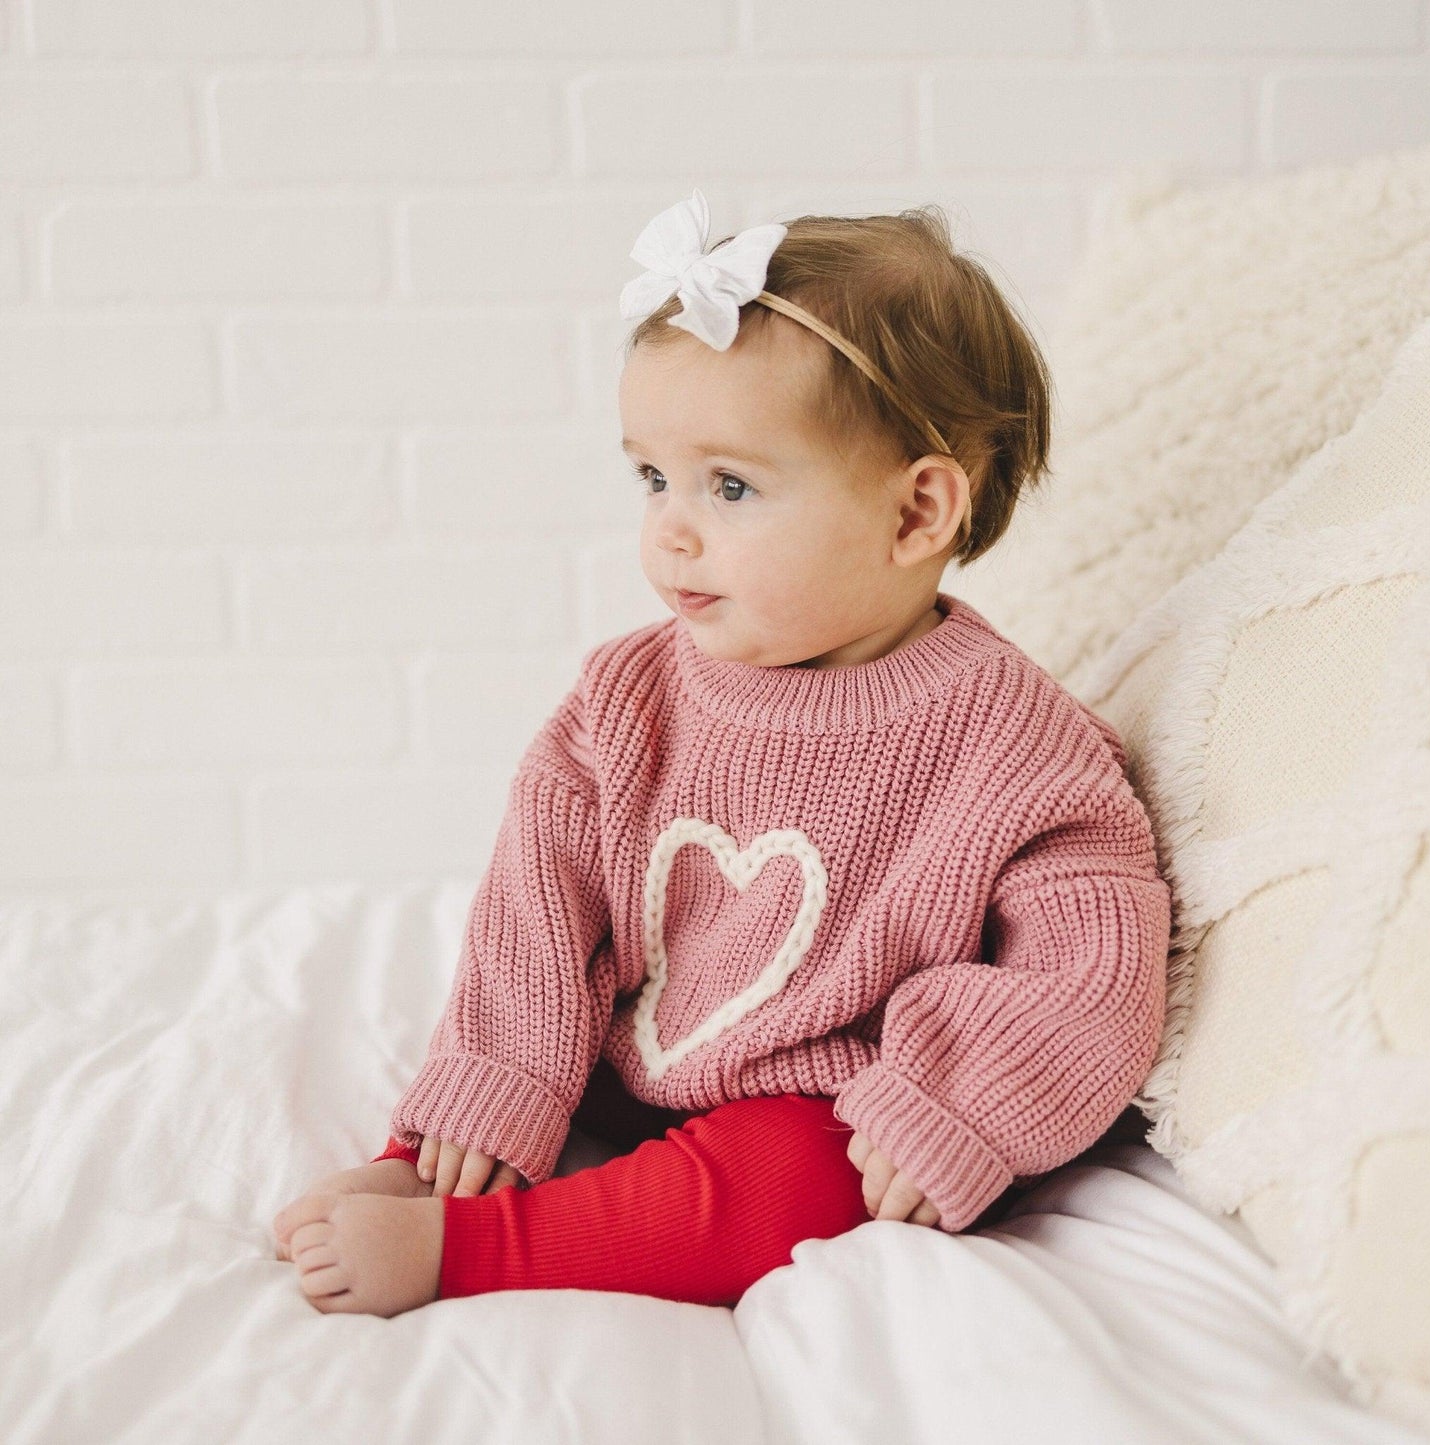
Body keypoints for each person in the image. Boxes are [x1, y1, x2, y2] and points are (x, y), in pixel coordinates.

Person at [272, 188, 1174, 1318]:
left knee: (796, 1183)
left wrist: (959, 1099)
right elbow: (542, 903)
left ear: (914, 514)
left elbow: (1088, 961)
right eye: (652, 477)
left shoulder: (1015, 742)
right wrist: (498, 1079)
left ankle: (482, 1248)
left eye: (729, 486)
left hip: (826, 1095)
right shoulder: (627, 693)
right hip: (632, 1051)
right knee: (518, 1063)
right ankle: (445, 1172)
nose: (670, 530)